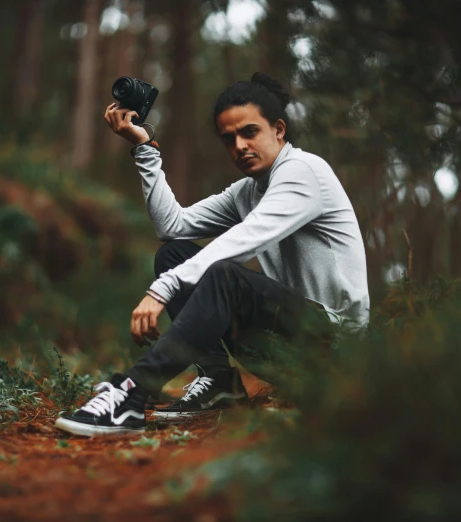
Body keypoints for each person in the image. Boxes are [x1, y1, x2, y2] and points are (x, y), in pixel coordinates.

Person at [54, 73, 369, 437]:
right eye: (229, 138)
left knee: (225, 276)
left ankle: (131, 394)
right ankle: (220, 382)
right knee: (173, 254)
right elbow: (173, 226)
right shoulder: (248, 191)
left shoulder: (304, 172)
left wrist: (163, 289)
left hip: (334, 351)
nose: (239, 146)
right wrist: (143, 147)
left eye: (250, 132)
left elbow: (246, 239)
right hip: (282, 349)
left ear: (278, 129)